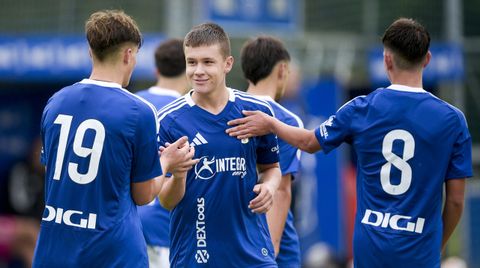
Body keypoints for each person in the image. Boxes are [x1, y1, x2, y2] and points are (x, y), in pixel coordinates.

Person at [227, 18, 472, 267]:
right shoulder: (453, 120)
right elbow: (455, 200)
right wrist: (436, 245)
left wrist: (271, 124)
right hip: (421, 249)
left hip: (372, 249)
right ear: (427, 59)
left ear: (387, 59)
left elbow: (310, 142)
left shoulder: (361, 108)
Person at [33, 10, 196, 267]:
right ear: (128, 55)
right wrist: (167, 162)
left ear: (91, 52)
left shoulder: (56, 102)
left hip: (54, 250)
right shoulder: (138, 111)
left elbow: (53, 174)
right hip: (112, 253)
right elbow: (143, 196)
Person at [157, 22, 282, 267]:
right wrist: (180, 175)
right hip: (195, 255)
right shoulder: (169, 121)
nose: (198, 71)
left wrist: (269, 187)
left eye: (207, 62)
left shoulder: (256, 111)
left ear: (228, 64)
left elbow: (272, 168)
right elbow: (165, 200)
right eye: (191, 62)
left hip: (253, 254)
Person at [240, 36, 303, 267]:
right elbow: (281, 191)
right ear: (282, 70)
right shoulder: (286, 120)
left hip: (234, 238)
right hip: (270, 247)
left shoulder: (228, 110)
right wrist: (270, 251)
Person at [135, 38, 188, 268]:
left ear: (156, 70)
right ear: (189, 69)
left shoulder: (133, 103)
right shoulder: (188, 112)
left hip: (128, 227)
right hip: (165, 230)